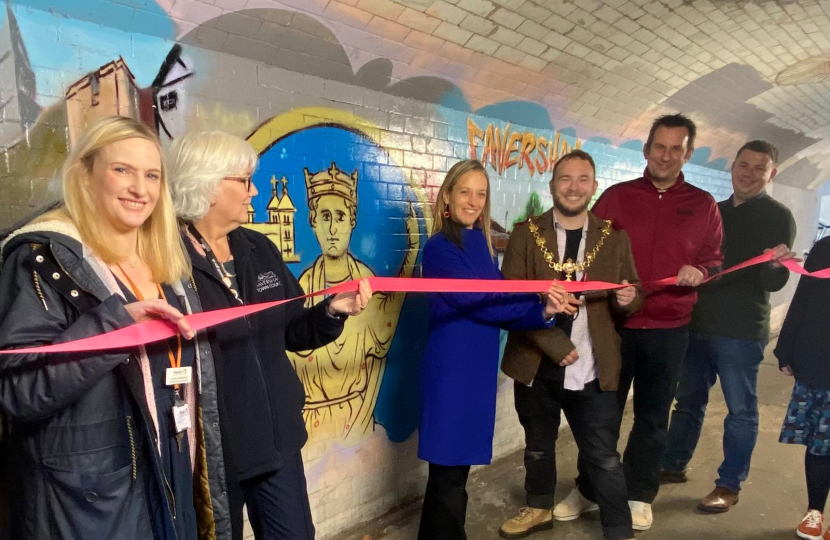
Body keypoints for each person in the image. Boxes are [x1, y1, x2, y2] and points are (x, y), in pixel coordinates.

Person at [0, 116, 224, 540]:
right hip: (89, 501)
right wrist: (114, 328)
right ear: (84, 177)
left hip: (168, 472)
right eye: (122, 170)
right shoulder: (39, 259)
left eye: (152, 175)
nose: (140, 189)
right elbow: (17, 391)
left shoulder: (166, 264)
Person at [166, 130, 372, 540]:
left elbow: (293, 329)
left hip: (277, 442)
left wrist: (333, 311)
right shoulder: (168, 261)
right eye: (243, 181)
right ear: (206, 184)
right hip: (215, 454)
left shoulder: (258, 248)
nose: (253, 191)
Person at [560, 113, 724, 531]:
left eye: (676, 148)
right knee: (601, 416)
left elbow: (714, 260)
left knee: (652, 418)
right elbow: (587, 248)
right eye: (659, 147)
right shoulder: (616, 197)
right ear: (646, 149)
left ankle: (638, 493)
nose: (666, 156)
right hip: (614, 328)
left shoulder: (703, 204)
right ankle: (588, 488)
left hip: (670, 329)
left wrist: (701, 272)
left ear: (686, 152)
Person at [416, 159, 567, 540]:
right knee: (448, 476)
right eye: (464, 191)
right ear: (447, 195)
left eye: (480, 193)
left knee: (455, 475)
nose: (473, 201)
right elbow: (479, 301)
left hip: (476, 371)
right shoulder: (439, 248)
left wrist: (543, 307)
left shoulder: (480, 245)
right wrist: (541, 309)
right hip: (451, 371)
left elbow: (499, 298)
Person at [497, 150, 640, 540]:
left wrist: (629, 299)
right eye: (565, 178)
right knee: (538, 446)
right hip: (535, 364)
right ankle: (539, 507)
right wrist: (556, 345)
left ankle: (618, 528)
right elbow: (512, 300)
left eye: (583, 179)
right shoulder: (527, 235)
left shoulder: (614, 237)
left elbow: (633, 289)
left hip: (591, 366)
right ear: (552, 185)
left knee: (604, 456)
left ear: (594, 186)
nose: (573, 187)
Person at [661, 140, 797, 512]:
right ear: (733, 166)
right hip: (697, 324)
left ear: (772, 173)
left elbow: (774, 284)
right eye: (743, 165)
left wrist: (774, 267)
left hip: (740, 331)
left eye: (759, 168)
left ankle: (729, 484)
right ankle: (672, 465)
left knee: (740, 411)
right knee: (688, 402)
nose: (749, 173)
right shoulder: (713, 211)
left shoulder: (777, 217)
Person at [288, 162, 419, 444]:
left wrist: (411, 253)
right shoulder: (304, 286)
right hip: (313, 428)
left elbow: (387, 319)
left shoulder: (365, 281)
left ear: (352, 220)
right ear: (313, 222)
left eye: (340, 216)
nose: (333, 228)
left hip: (357, 421)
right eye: (325, 216)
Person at [776, 237, 830, 540]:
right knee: (819, 441)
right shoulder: (826, 248)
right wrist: (786, 348)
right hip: (820, 360)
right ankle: (815, 511)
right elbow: (803, 297)